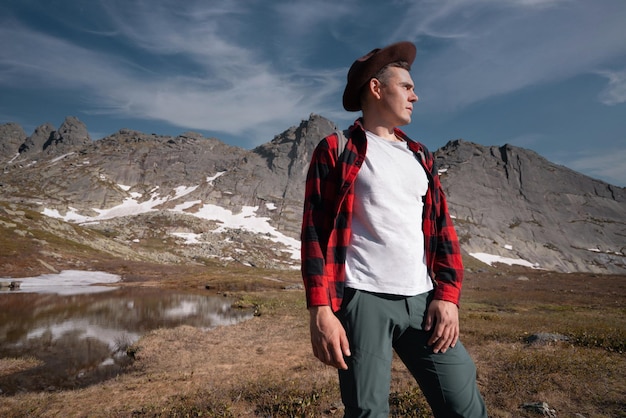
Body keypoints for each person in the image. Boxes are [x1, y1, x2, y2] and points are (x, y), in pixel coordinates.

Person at [300, 41, 488, 417]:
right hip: (362, 300)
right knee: (368, 411)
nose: (415, 96)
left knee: (462, 401)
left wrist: (447, 296)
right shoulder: (337, 149)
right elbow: (315, 235)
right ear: (376, 88)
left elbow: (443, 230)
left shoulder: (421, 156)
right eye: (406, 86)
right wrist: (320, 311)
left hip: (422, 299)